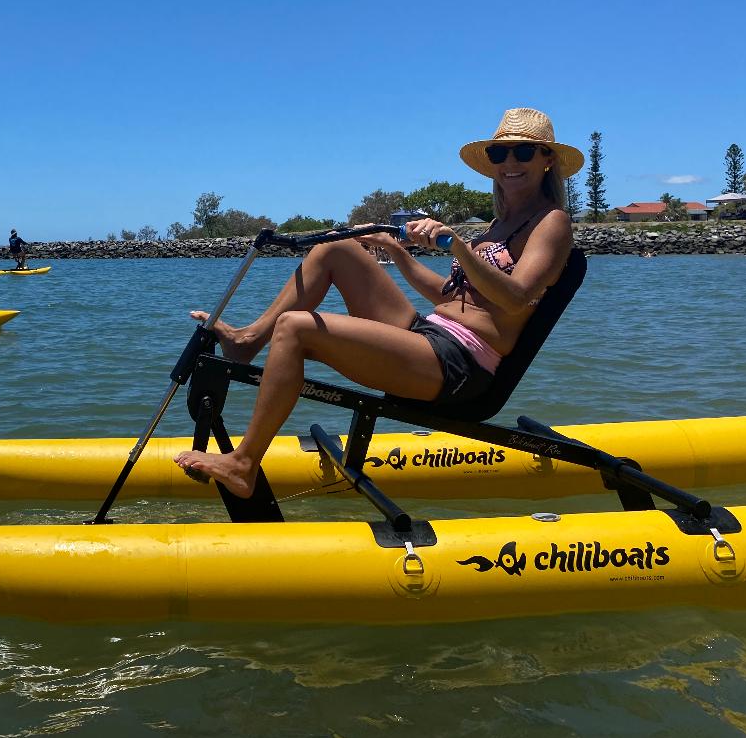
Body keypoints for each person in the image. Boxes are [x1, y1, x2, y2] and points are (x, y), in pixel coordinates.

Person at [175, 107, 582, 498]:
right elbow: (450, 295)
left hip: (458, 365)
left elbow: (517, 298)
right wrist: (398, 252)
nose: (510, 161)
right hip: (429, 335)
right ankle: (249, 341)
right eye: (500, 152)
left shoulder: (552, 223)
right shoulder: (499, 224)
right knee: (334, 249)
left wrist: (457, 245)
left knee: (296, 328)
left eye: (524, 151)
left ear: (548, 160)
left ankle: (244, 464)